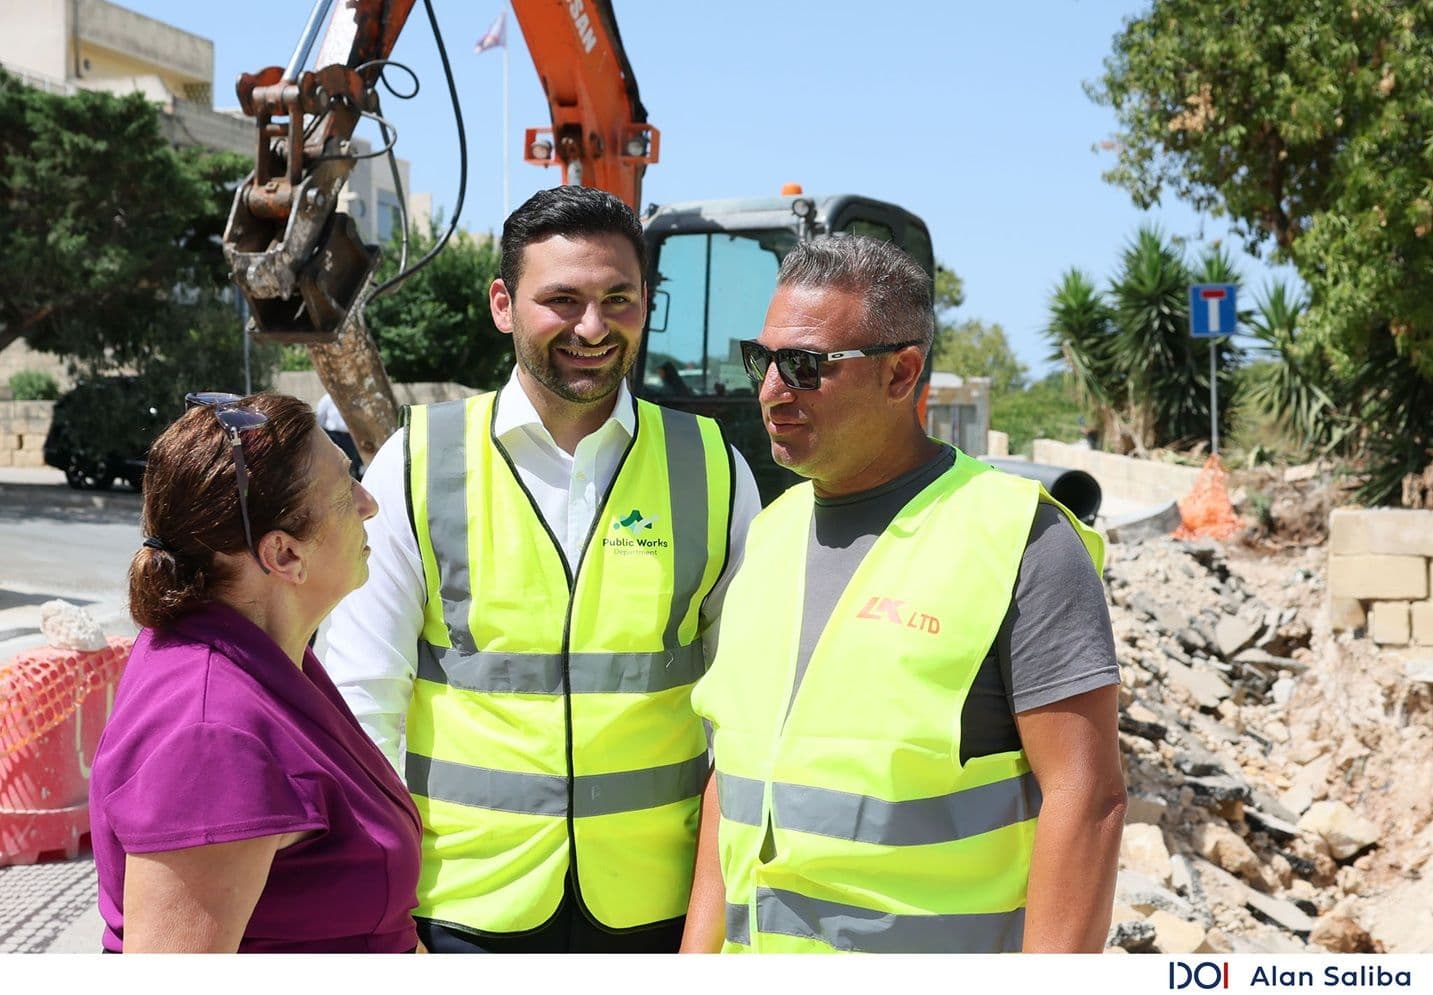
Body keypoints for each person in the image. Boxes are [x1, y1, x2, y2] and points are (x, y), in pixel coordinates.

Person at [323, 185, 761, 953]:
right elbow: (362, 699)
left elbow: (747, 719)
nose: (592, 327)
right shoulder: (416, 464)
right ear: (503, 303)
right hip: (459, 909)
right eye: (561, 299)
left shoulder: (713, 468)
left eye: (617, 299)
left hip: (657, 911)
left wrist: (710, 928)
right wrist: (385, 911)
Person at [680, 235, 1126, 954]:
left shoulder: (1020, 539)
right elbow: (730, 778)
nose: (769, 389)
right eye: (760, 359)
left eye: (804, 365)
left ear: (901, 373)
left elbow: (1088, 799)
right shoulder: (770, 533)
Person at [89, 392, 421, 953]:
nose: (369, 503)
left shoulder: (257, 655)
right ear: (284, 556)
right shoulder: (211, 737)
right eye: (345, 490)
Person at [316, 391, 362, 477]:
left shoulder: (353, 399)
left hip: (350, 437)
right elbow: (320, 418)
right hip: (334, 436)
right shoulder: (328, 399)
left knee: (350, 464)